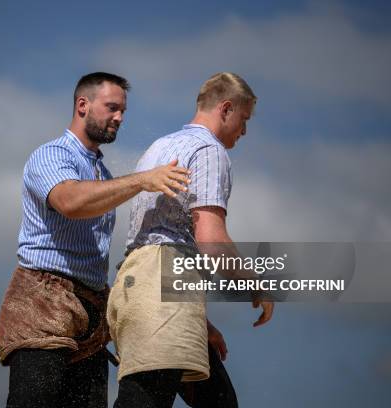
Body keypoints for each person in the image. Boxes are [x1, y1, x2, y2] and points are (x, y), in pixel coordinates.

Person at [0, 72, 192, 408]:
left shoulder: (103, 174)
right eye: (112, 107)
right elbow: (71, 202)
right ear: (82, 105)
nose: (120, 117)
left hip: (91, 314)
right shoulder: (51, 155)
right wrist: (143, 180)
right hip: (42, 303)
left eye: (123, 111)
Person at [107, 72, 275, 408]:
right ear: (226, 108)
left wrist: (200, 320)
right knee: (146, 400)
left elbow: (152, 240)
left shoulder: (159, 147)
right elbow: (210, 239)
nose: (244, 131)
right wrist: (255, 284)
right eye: (243, 120)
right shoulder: (209, 150)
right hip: (162, 293)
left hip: (134, 288)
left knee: (217, 400)